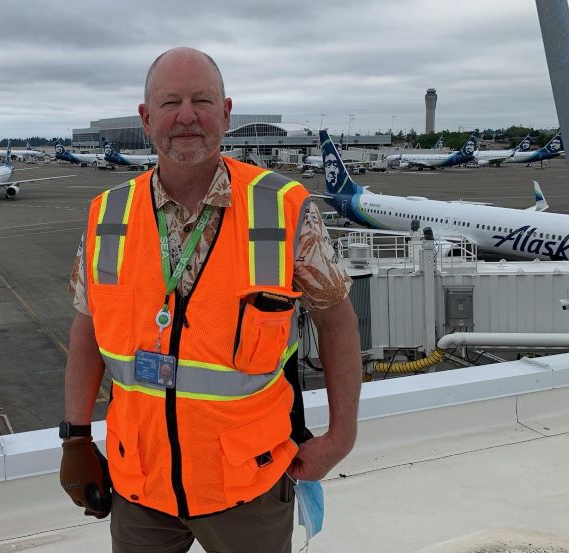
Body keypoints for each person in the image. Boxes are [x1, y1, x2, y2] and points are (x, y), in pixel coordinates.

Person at [60, 47, 362, 553]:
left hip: (250, 486)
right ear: (145, 117)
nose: (186, 115)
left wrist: (341, 436)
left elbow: (338, 322)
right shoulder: (107, 215)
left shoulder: (283, 208)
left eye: (202, 100)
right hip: (139, 486)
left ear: (225, 113)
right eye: (170, 101)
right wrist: (74, 438)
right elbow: (87, 330)